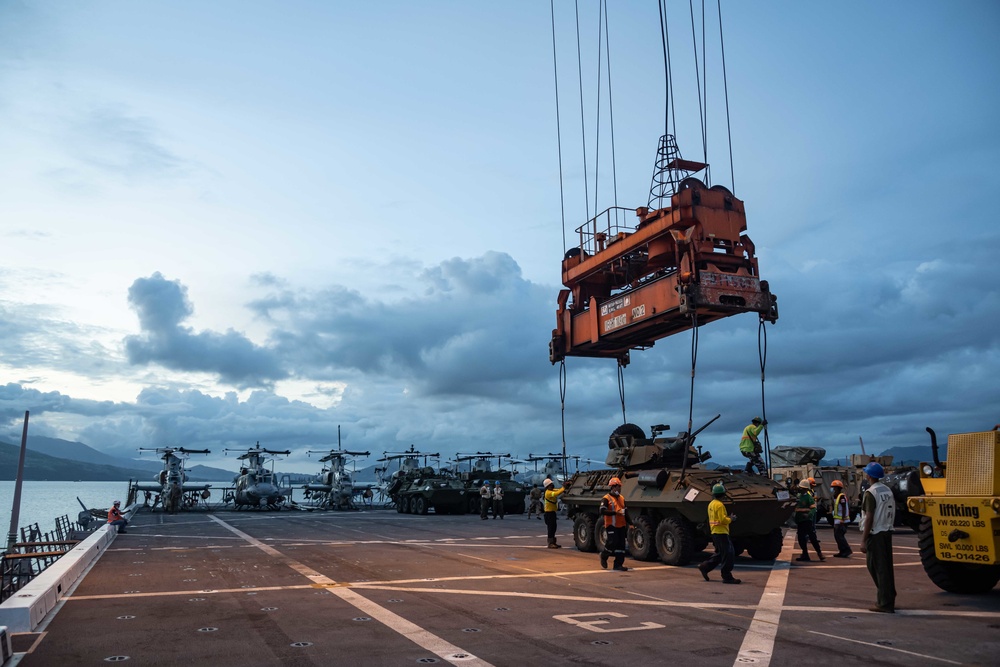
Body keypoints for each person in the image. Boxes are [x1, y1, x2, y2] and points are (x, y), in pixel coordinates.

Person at [859, 461, 896, 613]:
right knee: (886, 567)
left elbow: (869, 517)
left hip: (876, 533)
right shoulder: (887, 490)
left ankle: (885, 602)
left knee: (876, 567)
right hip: (887, 531)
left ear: (869, 475)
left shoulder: (871, 493)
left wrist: (863, 539)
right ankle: (888, 596)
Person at [698, 483, 740, 583]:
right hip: (721, 532)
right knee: (728, 553)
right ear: (723, 495)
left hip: (715, 531)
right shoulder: (720, 505)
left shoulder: (711, 504)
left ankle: (705, 567)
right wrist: (731, 519)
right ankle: (726, 576)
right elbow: (722, 519)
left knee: (721, 553)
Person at [599, 477, 633, 571]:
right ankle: (604, 556)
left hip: (621, 525)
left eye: (620, 487)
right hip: (611, 525)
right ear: (613, 487)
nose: (619, 488)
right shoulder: (606, 498)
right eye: (618, 487)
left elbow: (626, 512)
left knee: (621, 546)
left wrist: (631, 523)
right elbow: (602, 511)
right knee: (612, 543)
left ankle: (618, 564)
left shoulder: (622, 498)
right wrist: (614, 513)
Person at [794, 479, 824, 561]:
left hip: (807, 521)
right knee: (801, 538)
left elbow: (813, 508)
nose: (801, 489)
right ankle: (805, 554)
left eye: (803, 488)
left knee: (812, 537)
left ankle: (819, 553)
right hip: (800, 521)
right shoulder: (798, 497)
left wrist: (808, 515)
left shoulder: (808, 497)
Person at [543, 478, 568, 548]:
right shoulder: (548, 493)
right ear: (548, 486)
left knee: (553, 527)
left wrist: (564, 488)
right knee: (551, 528)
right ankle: (550, 543)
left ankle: (553, 542)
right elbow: (556, 493)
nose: (552, 485)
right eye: (551, 484)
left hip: (552, 512)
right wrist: (563, 488)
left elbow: (558, 490)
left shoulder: (550, 490)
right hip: (549, 513)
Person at [830, 479, 853, 558]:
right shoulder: (836, 496)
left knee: (839, 536)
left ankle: (846, 550)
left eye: (834, 488)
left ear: (837, 488)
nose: (832, 489)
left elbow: (844, 508)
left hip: (842, 520)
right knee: (837, 536)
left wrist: (842, 519)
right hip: (837, 520)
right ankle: (842, 551)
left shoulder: (841, 496)